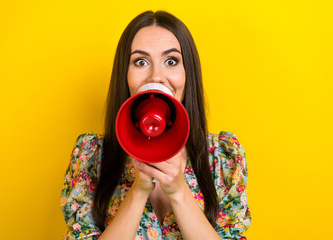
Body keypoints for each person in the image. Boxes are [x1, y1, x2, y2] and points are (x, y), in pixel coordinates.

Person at [61, 10, 251, 240]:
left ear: (187, 73)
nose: (156, 77)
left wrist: (178, 191)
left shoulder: (224, 158)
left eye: (171, 61)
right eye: (140, 62)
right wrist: (139, 191)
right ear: (125, 74)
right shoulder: (91, 156)